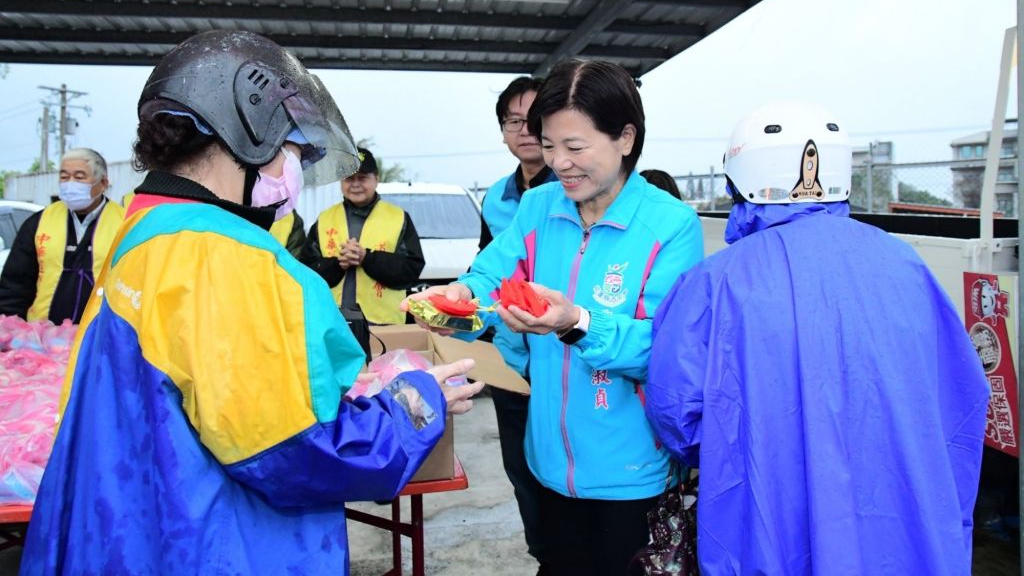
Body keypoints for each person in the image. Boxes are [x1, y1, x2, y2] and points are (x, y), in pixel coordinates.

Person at [20, 30, 484, 575]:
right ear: (251, 134)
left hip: (133, 535)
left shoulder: (144, 230)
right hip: (217, 547)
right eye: (293, 151)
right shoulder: (227, 256)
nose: (295, 173)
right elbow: (292, 452)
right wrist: (416, 403)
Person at [644, 102, 990, 576]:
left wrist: (749, 449)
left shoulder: (715, 282)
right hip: (903, 526)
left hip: (767, 520)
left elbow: (676, 414)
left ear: (739, 182)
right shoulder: (907, 265)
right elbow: (961, 400)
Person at [404, 60, 704, 575]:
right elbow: (491, 273)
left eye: (575, 147)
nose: (559, 163)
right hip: (548, 463)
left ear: (625, 138)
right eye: (548, 145)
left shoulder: (671, 225)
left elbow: (663, 349)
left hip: (632, 473)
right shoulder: (539, 206)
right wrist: (457, 297)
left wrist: (576, 322)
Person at [478, 75, 557, 567]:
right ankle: (544, 555)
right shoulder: (495, 198)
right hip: (510, 360)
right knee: (521, 471)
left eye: (534, 120)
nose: (524, 130)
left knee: (563, 469)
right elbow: (484, 267)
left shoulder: (570, 188)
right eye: (513, 121)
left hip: (562, 354)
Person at [301, 147, 424, 324]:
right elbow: (306, 271)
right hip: (332, 321)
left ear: (376, 180)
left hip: (383, 322)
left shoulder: (398, 217)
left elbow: (411, 270)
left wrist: (367, 258)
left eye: (362, 178)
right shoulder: (325, 218)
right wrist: (338, 264)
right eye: (349, 178)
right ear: (341, 182)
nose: (355, 184)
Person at [0, 148, 124, 324]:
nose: (70, 184)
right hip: (42, 333)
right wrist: (11, 327)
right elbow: (15, 285)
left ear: (103, 183)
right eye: (64, 177)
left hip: (101, 333)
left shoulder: (125, 223)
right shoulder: (39, 223)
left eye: (79, 177)